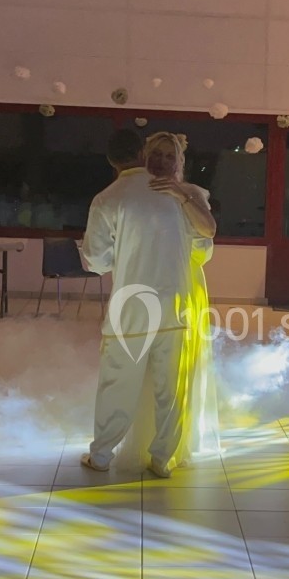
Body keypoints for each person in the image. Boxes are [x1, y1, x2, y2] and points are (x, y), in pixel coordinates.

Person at [79, 130, 220, 478]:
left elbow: (95, 261)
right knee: (169, 389)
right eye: (156, 154)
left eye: (166, 156)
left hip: (132, 308)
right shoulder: (184, 196)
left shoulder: (109, 198)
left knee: (118, 383)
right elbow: (203, 249)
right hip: (174, 305)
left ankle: (101, 455)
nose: (159, 161)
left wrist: (125, 254)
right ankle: (161, 458)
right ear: (143, 154)